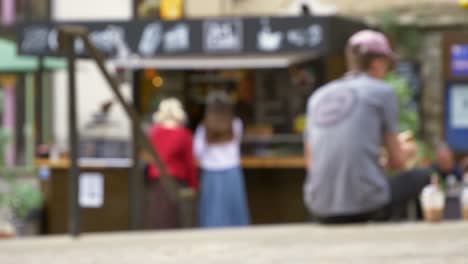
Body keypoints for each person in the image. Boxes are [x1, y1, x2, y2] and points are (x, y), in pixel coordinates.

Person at [303, 30, 430, 224]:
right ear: (377, 63)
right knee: (423, 177)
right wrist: (407, 151)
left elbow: (311, 162)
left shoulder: (317, 97)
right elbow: (397, 162)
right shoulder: (382, 92)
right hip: (365, 206)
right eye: (387, 66)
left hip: (319, 207)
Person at [194, 91, 250, 227]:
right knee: (234, 211)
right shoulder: (236, 124)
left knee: (212, 212)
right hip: (231, 171)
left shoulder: (203, 128)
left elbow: (197, 151)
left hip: (211, 173)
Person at [145, 98, 198, 229]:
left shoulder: (153, 133)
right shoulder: (184, 134)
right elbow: (189, 163)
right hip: (176, 180)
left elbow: (148, 156)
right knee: (173, 217)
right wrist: (194, 185)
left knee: (158, 216)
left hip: (157, 179)